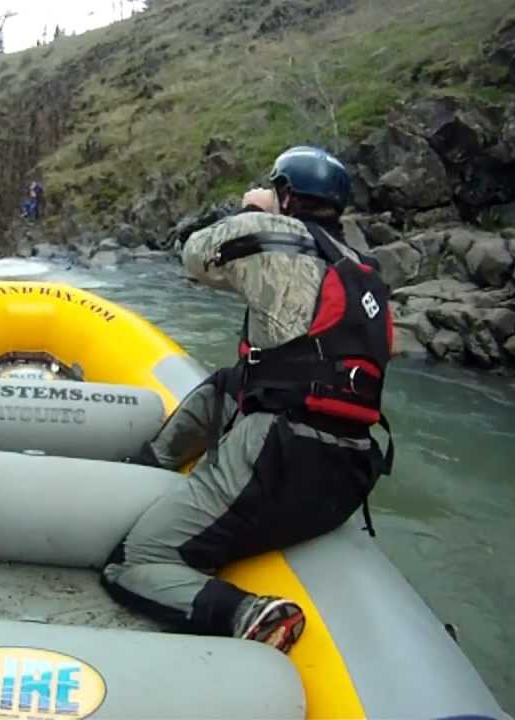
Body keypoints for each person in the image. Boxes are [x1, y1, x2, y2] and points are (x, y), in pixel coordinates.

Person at [101, 146, 394, 652]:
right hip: (348, 473)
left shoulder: (277, 235)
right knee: (231, 381)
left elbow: (195, 256)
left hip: (279, 458)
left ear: (286, 193)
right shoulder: (361, 268)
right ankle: (151, 462)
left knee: (135, 559)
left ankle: (245, 612)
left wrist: (254, 210)